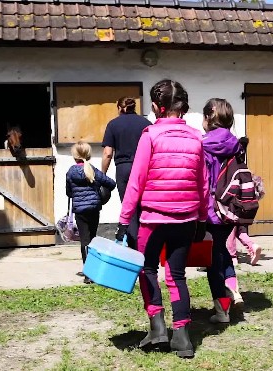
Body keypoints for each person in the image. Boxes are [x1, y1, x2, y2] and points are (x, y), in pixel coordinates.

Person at [116, 79, 208, 358]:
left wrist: (123, 219)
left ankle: (157, 326)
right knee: (177, 275)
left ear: (157, 107)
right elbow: (203, 183)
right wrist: (202, 218)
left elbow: (137, 181)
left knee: (147, 270)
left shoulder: (150, 136)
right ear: (182, 107)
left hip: (153, 220)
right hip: (186, 219)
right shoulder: (196, 138)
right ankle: (182, 336)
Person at [201, 98, 243, 318]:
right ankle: (233, 290)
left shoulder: (203, 144)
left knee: (213, 259)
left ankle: (222, 308)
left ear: (208, 117)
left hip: (210, 209)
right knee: (222, 250)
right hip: (231, 207)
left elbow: (202, 180)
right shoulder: (237, 144)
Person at [101, 97, 151, 249]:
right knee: (145, 207)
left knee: (129, 208)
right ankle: (147, 245)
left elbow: (108, 153)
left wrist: (103, 174)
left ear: (119, 107)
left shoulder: (113, 124)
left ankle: (135, 248)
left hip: (124, 168)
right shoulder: (146, 124)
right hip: (144, 167)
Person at [66, 141, 116, 284]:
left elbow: (69, 192)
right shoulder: (92, 170)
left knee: (85, 240)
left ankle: (88, 274)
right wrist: (97, 187)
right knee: (93, 239)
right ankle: (94, 269)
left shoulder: (70, 172)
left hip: (80, 210)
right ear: (88, 155)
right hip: (94, 208)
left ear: (74, 156)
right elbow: (111, 183)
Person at [225, 137, 262, 267]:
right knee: (242, 232)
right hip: (248, 206)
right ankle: (253, 246)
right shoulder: (245, 168)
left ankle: (232, 257)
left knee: (231, 233)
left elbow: (231, 190)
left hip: (236, 206)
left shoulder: (233, 167)